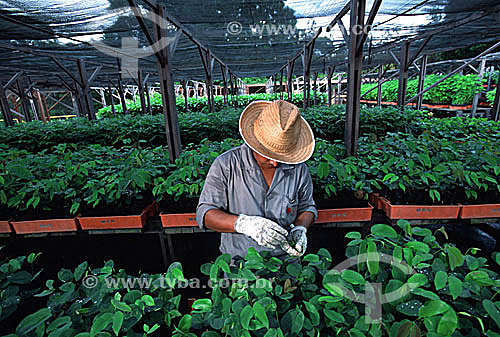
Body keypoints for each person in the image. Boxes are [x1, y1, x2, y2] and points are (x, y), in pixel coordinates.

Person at [195, 100, 317, 263]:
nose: (275, 163)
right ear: (255, 142)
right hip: (240, 266)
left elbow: (307, 207)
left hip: (286, 263)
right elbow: (206, 214)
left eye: (280, 156)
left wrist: (301, 227)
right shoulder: (226, 165)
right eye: (268, 155)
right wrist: (244, 224)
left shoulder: (298, 169)